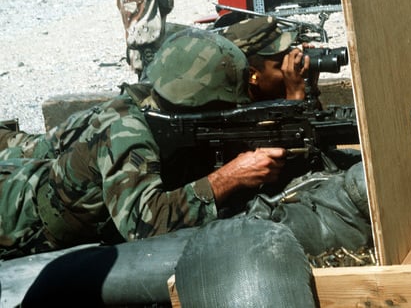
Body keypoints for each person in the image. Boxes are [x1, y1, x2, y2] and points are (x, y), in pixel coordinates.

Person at [0, 29, 288, 260]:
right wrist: (228, 178)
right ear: (194, 102)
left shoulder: (159, 104)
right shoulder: (126, 130)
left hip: (53, 165)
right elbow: (145, 224)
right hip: (18, 220)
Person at [220, 16, 321, 103]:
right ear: (252, 75)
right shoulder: (229, 116)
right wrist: (295, 97)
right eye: (282, 64)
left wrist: (310, 89)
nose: (290, 69)